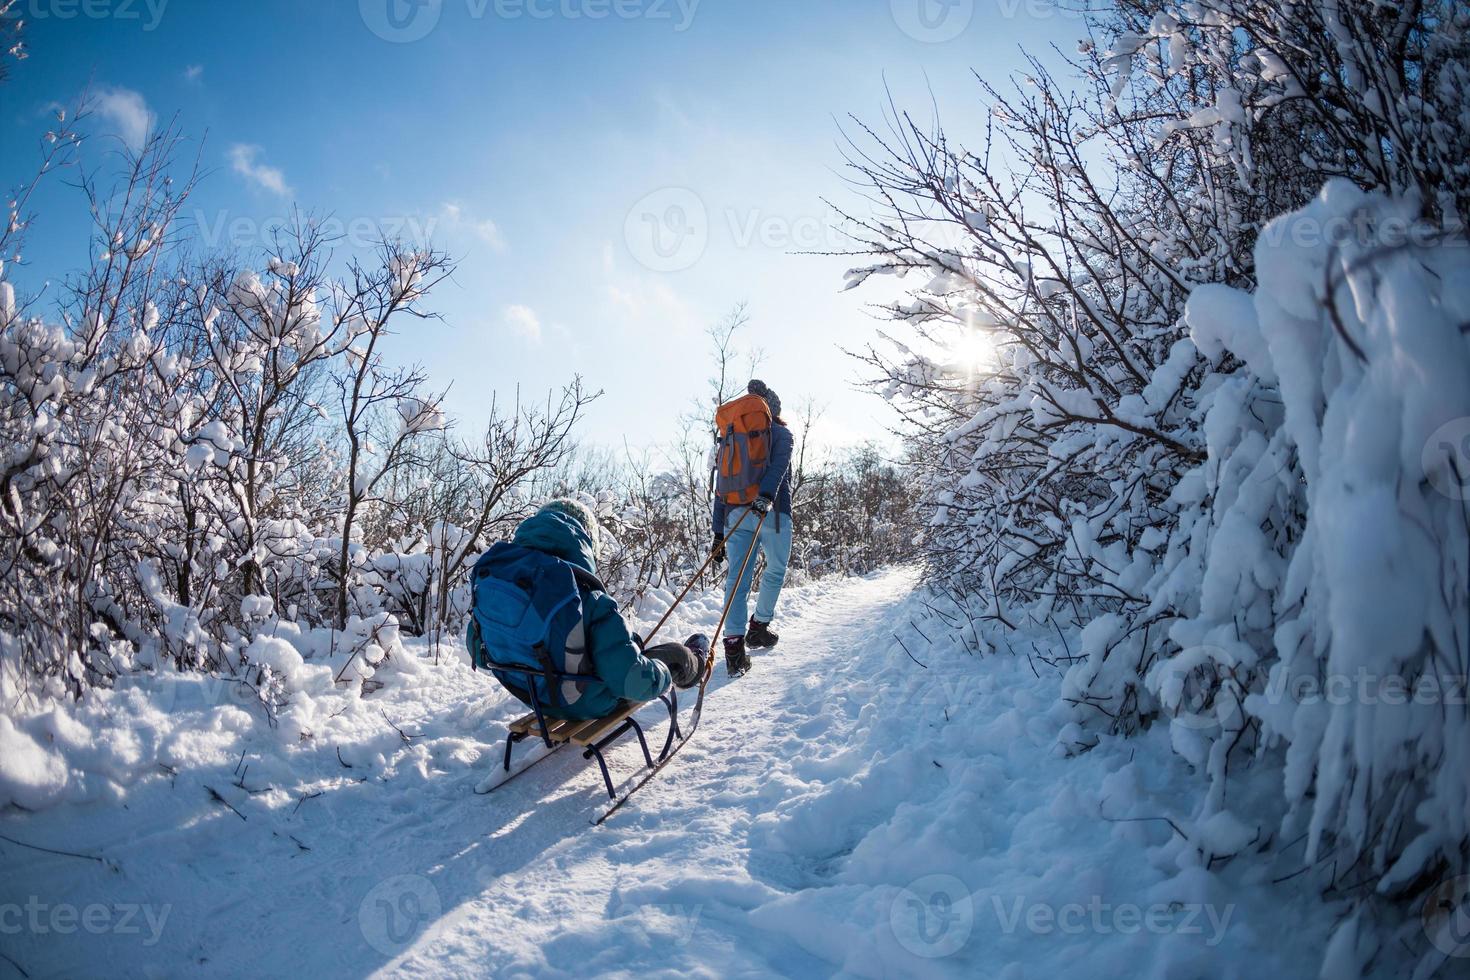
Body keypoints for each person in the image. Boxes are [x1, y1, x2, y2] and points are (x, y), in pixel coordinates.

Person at [468, 498, 705, 721]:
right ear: (585, 542)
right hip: (580, 702)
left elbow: (478, 654)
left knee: (625, 647)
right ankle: (696, 663)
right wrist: (662, 674)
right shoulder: (589, 598)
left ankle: (633, 649)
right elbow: (632, 682)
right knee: (672, 654)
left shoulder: (502, 579)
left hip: (528, 693)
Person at [712, 380, 794, 677]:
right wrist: (766, 497)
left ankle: (733, 647)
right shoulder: (782, 433)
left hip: (734, 514)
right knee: (775, 569)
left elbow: (721, 486)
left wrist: (718, 532)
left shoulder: (730, 437)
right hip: (770, 513)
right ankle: (758, 627)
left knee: (737, 578)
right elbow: (779, 467)